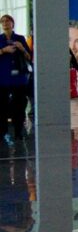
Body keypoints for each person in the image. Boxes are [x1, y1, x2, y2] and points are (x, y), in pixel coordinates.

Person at [0, 15, 32, 145]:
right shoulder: (0, 39)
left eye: (7, 21)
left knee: (19, 104)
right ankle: (3, 132)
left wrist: (22, 48)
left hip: (19, 78)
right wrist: (3, 50)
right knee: (1, 105)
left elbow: (28, 56)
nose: (5, 23)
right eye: (2, 21)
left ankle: (18, 131)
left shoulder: (20, 38)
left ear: (13, 23)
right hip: (2, 77)